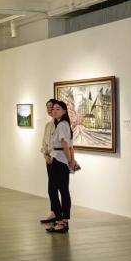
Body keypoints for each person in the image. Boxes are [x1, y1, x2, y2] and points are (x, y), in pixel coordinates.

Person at [47, 100, 77, 234]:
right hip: (60, 159)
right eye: (53, 109)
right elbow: (70, 145)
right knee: (63, 190)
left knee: (53, 191)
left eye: (58, 109)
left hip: (59, 160)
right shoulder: (63, 124)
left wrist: (70, 160)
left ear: (64, 111)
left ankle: (61, 221)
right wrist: (71, 160)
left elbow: (65, 144)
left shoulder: (62, 125)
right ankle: (63, 222)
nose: (54, 111)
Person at [39, 99, 59, 225]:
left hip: (58, 160)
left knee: (58, 188)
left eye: (51, 107)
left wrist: (53, 156)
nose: (49, 109)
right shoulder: (48, 125)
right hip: (49, 160)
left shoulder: (61, 125)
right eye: (47, 107)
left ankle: (60, 216)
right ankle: (54, 212)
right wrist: (45, 155)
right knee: (51, 188)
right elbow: (44, 143)